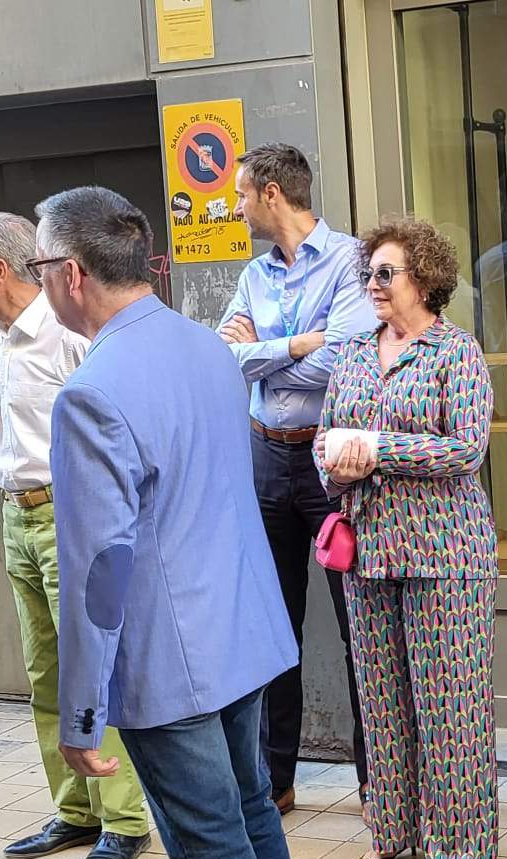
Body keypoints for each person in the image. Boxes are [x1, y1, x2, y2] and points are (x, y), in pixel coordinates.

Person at [37, 186, 299, 859]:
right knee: (252, 820)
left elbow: (100, 568)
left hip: (168, 660)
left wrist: (81, 713)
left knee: (214, 857)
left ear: (71, 273)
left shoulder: (90, 392)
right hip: (240, 632)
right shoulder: (207, 349)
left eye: (37, 264)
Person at [0, 212, 151, 859]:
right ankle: (76, 811)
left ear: (2, 268)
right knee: (43, 672)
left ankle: (123, 819)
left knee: (92, 668)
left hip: (73, 518)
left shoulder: (69, 336)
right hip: (18, 514)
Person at [314, 217, 499, 859]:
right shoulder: (356, 352)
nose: (374, 284)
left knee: (452, 707)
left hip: (447, 554)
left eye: (386, 273)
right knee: (382, 703)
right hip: (370, 554)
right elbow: (325, 441)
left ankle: (463, 847)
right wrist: (339, 457)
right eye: (371, 272)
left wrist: (376, 448)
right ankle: (389, 834)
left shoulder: (458, 353)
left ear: (425, 279)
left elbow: (466, 450)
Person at [216, 144, 375, 812]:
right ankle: (275, 781)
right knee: (271, 626)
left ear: (272, 193)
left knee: (356, 625)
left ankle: (379, 783)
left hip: (329, 464)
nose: (236, 205)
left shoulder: (351, 262)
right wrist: (293, 345)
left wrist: (265, 354)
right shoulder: (253, 273)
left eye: (242, 193)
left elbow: (339, 365)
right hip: (265, 458)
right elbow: (222, 357)